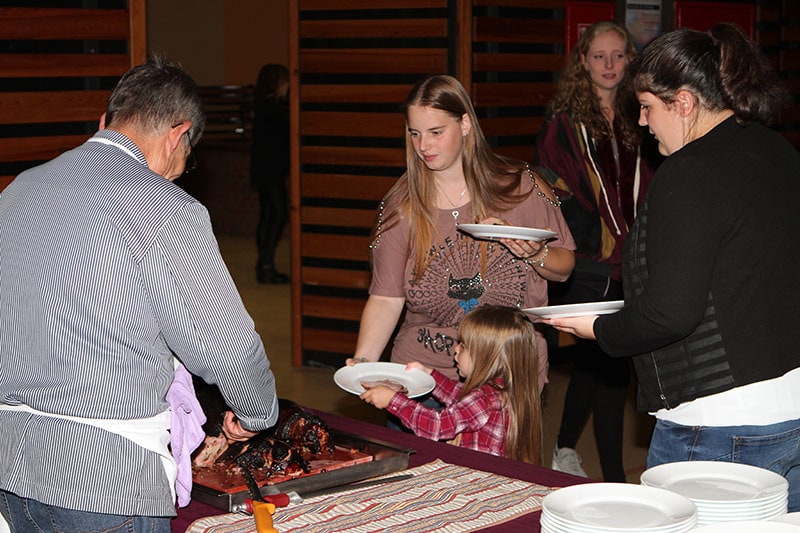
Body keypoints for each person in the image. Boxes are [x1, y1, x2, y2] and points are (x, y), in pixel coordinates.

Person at [0, 56, 279, 532]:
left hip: (10, 467)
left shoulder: (20, 190)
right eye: (185, 160)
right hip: (103, 479)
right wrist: (256, 411)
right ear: (178, 134)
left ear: (105, 122)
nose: (175, 174)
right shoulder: (164, 209)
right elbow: (227, 345)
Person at [546, 23, 800, 511]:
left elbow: (671, 313)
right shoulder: (777, 149)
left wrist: (598, 328)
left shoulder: (689, 171)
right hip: (790, 404)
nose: (643, 122)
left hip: (719, 420)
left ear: (683, 103)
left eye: (647, 107)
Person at [347, 74, 576, 418]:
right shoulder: (400, 206)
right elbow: (385, 297)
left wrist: (536, 253)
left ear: (465, 124)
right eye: (414, 133)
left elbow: (565, 268)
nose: (423, 145)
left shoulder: (521, 186)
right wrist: (364, 362)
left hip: (507, 378)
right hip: (420, 379)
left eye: (436, 132)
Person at [535, 20, 657, 481]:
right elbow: (556, 191)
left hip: (634, 256)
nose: (609, 65)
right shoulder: (563, 125)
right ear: (583, 62)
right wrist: (599, 239)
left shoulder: (642, 116)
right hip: (589, 261)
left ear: (630, 60)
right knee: (608, 365)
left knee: (597, 363)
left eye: (618, 55)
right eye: (599, 56)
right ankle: (615, 479)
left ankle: (565, 446)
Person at [359, 305, 542, 464]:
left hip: (476, 476)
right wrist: (430, 374)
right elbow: (460, 396)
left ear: (485, 356)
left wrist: (393, 401)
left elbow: (437, 426)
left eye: (463, 345)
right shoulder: (502, 390)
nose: (456, 348)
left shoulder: (483, 398)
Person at [250, 63, 290, 284]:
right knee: (278, 214)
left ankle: (265, 264)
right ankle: (265, 264)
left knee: (268, 215)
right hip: (270, 169)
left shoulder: (264, 107)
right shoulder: (273, 110)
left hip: (265, 168)